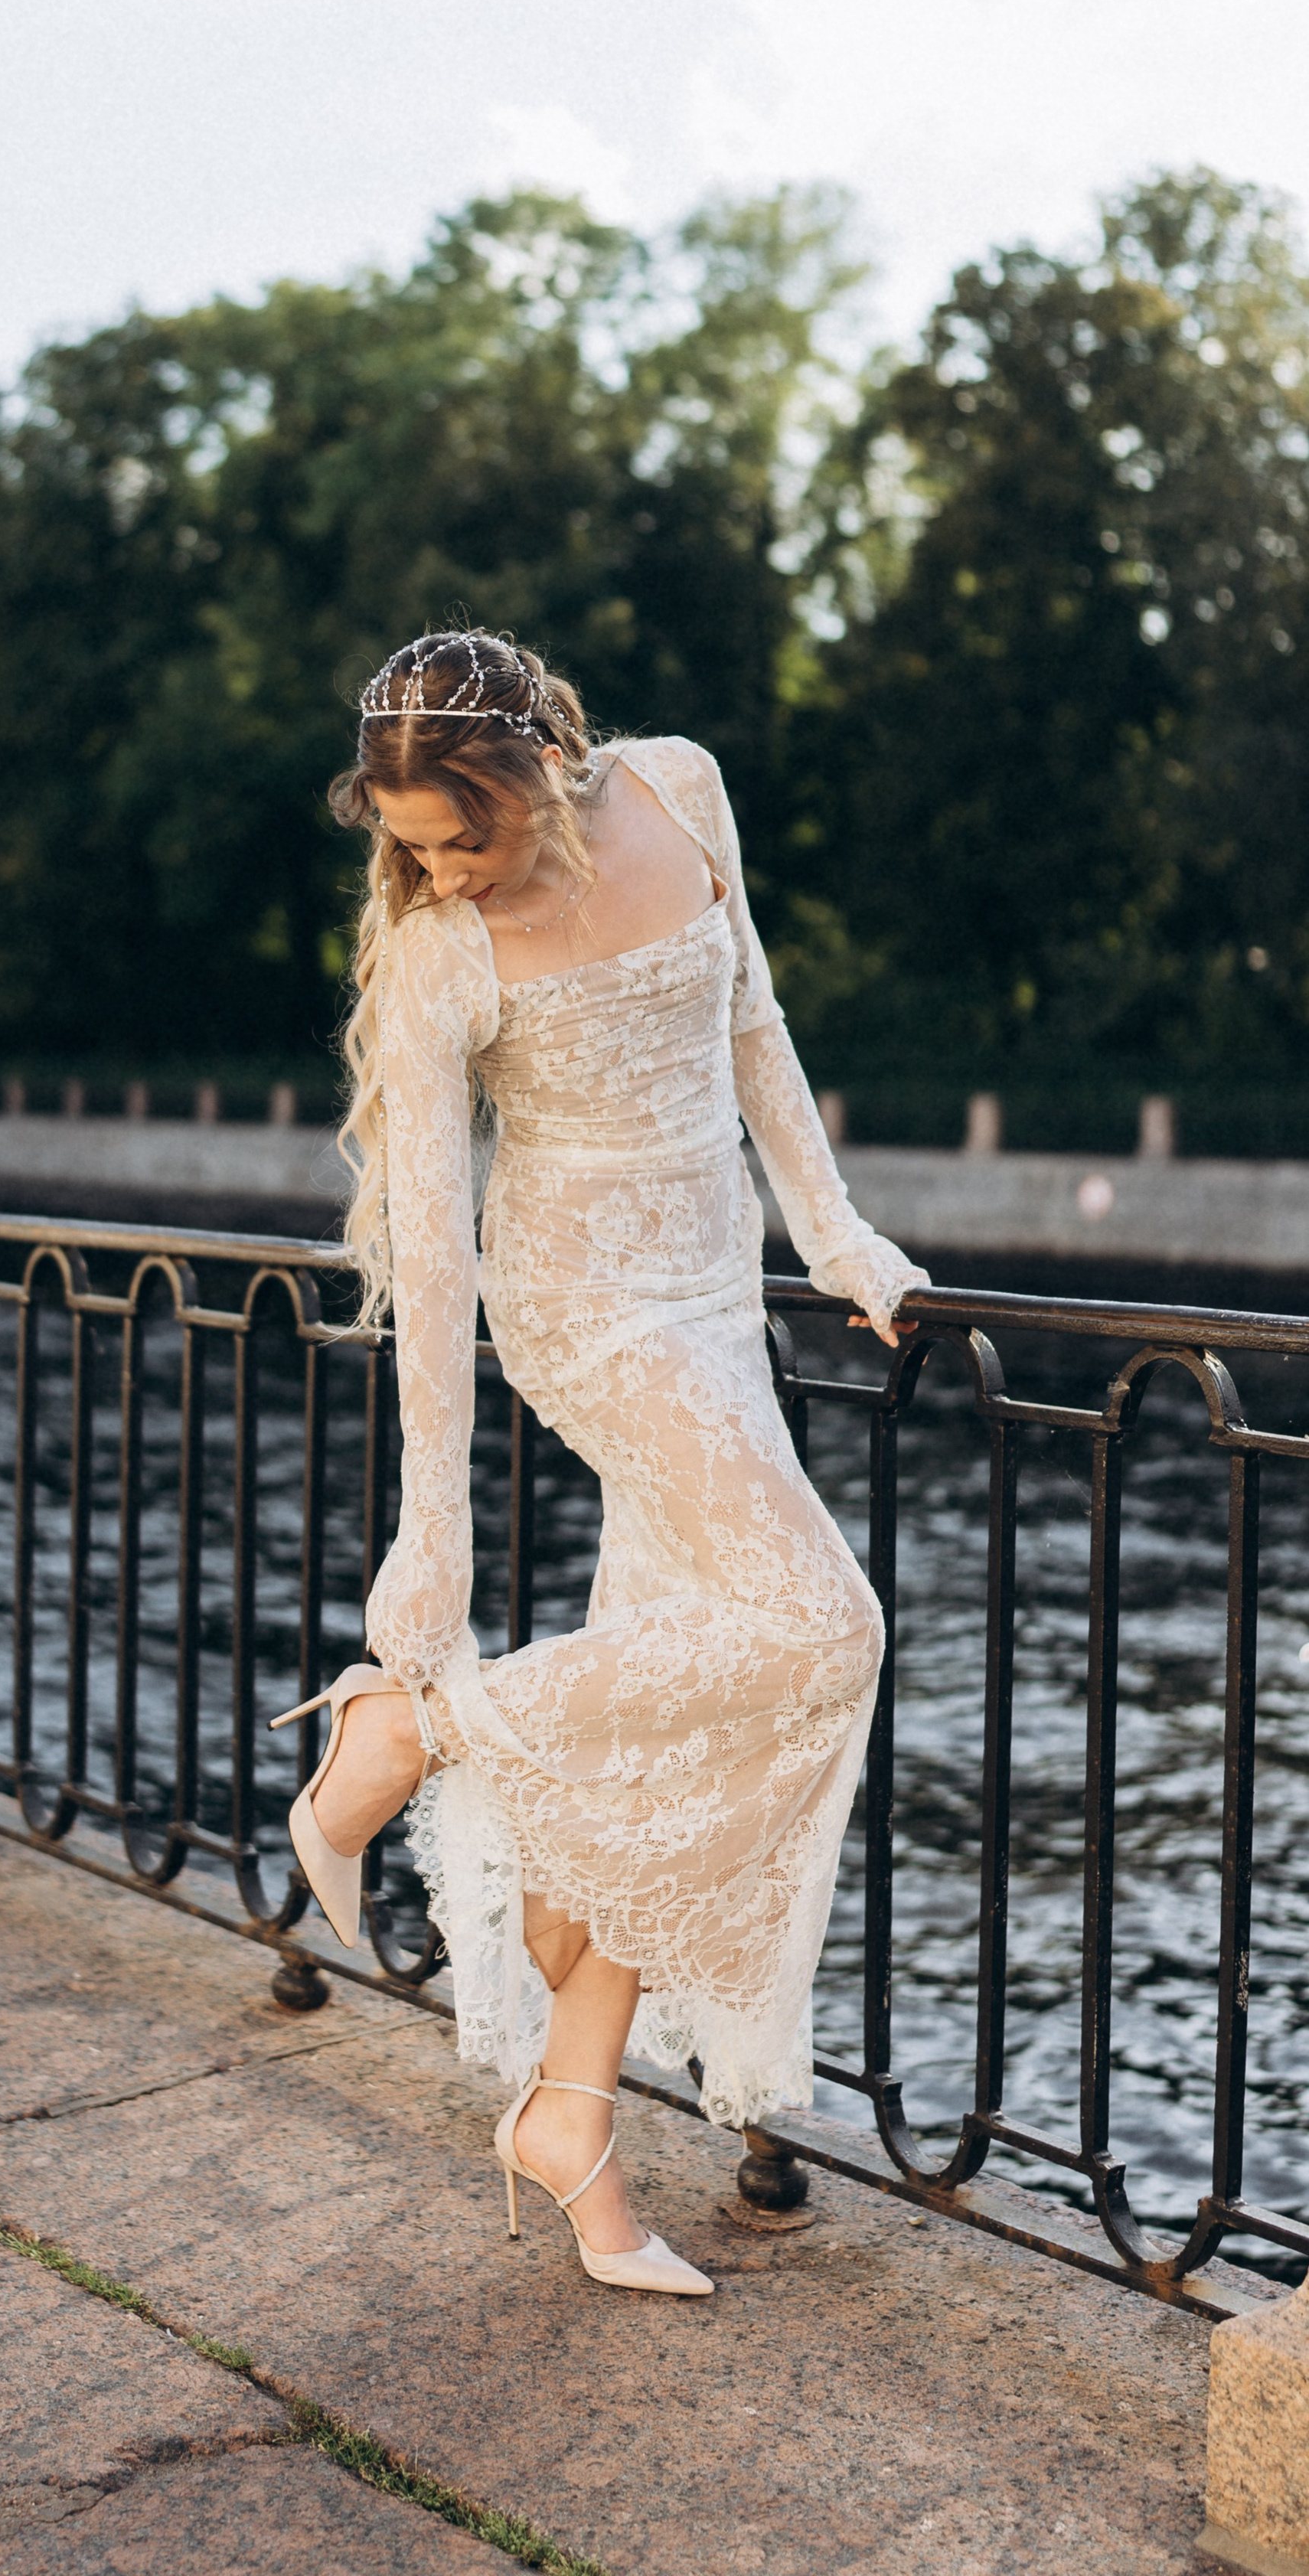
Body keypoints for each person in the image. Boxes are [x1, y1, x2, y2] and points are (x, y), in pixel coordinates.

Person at [272, 628, 926, 2297]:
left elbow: (751, 1025)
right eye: (408, 846)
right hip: (587, 1312)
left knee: (683, 1679)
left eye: (460, 833)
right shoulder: (440, 955)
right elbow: (430, 1248)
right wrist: (431, 1535)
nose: (437, 869)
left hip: (717, 1287)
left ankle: (571, 2111)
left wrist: (836, 1236)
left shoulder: (678, 783)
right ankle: (410, 1720)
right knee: (823, 1629)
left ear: (537, 766)